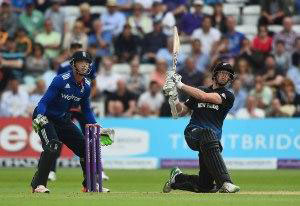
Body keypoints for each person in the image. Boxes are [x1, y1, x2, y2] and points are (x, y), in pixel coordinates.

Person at [30, 51, 113, 193]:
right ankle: (38, 185)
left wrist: (97, 126)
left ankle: (91, 185)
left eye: (87, 63)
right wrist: (39, 116)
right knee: (52, 146)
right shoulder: (60, 80)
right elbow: (43, 102)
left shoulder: (86, 86)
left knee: (86, 149)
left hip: (63, 119)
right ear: (73, 64)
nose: (84, 65)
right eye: (81, 62)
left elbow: (86, 110)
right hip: (45, 117)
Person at [162, 62, 240, 193]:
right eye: (221, 72)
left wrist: (180, 85)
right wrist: (173, 98)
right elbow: (179, 113)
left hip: (210, 143)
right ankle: (226, 182)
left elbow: (204, 97)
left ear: (230, 78)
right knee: (208, 133)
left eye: (227, 74)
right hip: (193, 132)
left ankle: (177, 178)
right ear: (214, 75)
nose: (224, 76)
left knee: (205, 186)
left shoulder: (228, 95)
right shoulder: (200, 89)